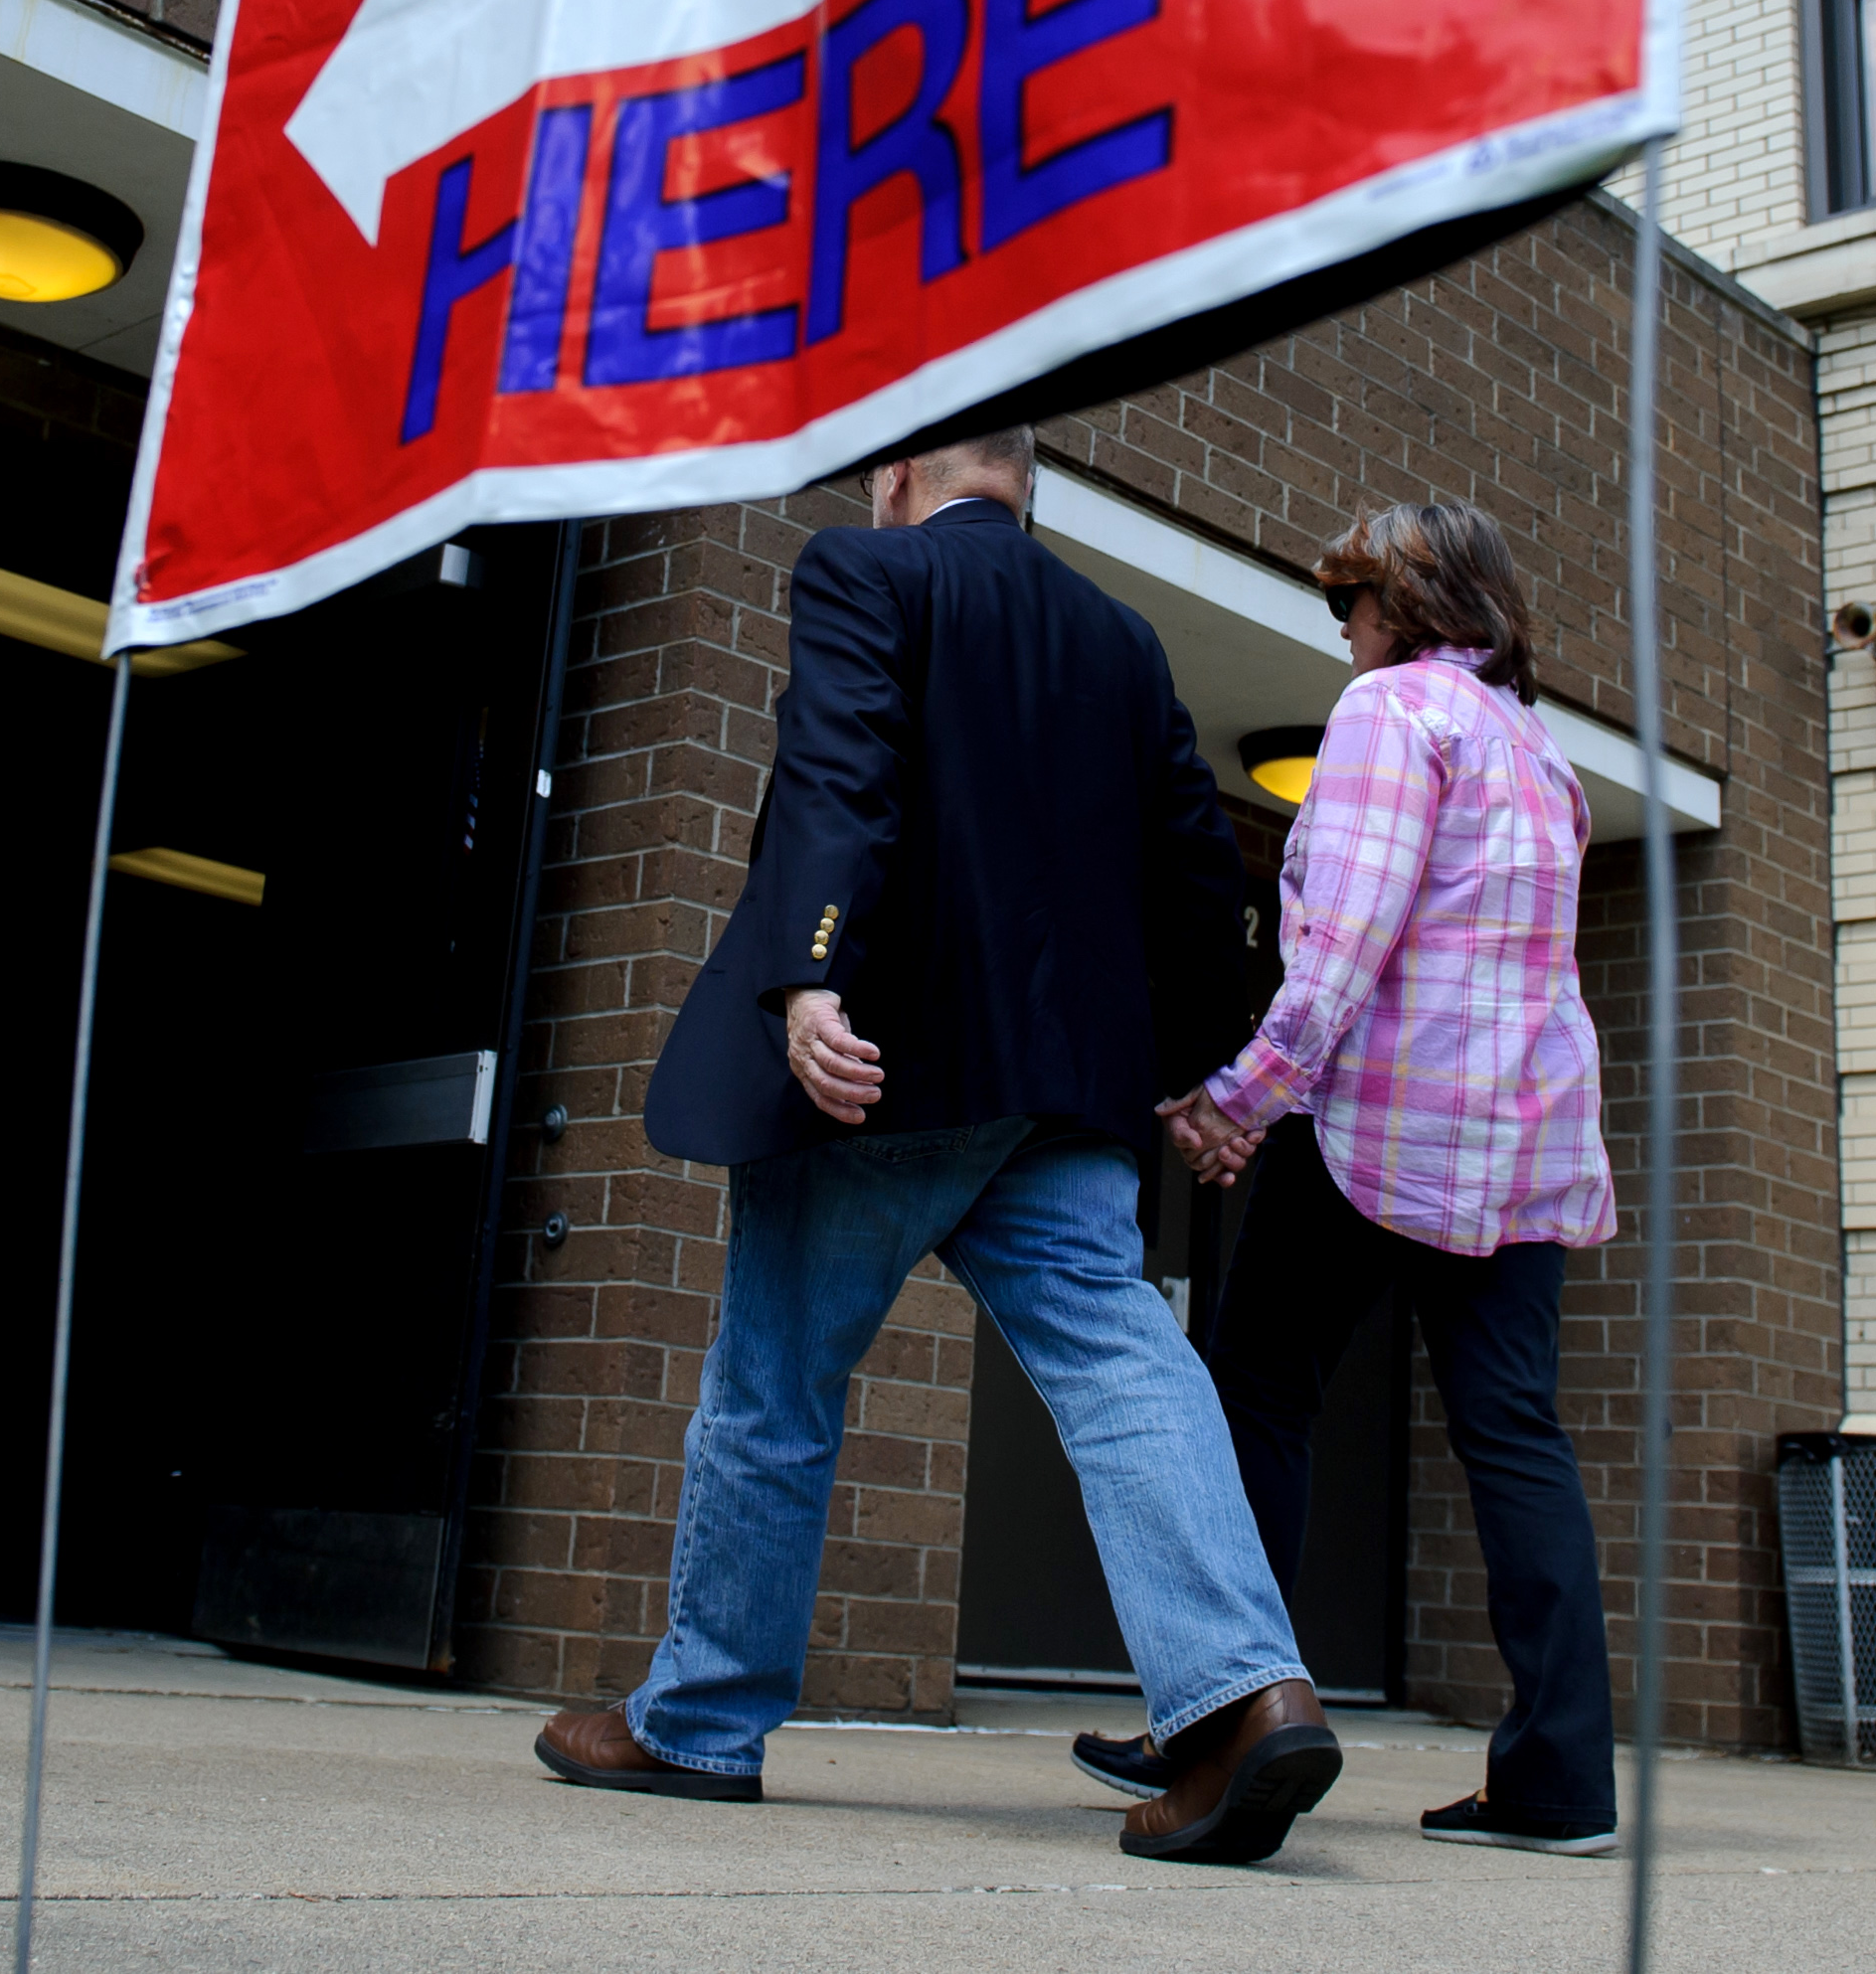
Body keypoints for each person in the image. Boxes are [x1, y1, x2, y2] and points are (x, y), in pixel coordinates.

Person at [530, 426, 1339, 1865]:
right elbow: (1201, 871)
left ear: (904, 472)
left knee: (774, 1387)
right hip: (1065, 1093)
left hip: (885, 1075)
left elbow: (843, 771)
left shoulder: (868, 571)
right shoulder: (1122, 639)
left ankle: (698, 1723)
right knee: (1125, 1368)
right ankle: (1243, 1700)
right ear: (1025, 483)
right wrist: (1193, 1068)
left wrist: (811, 973)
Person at [1105, 499, 1624, 1857]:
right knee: (1515, 1434)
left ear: (1405, 605)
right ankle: (1563, 1779)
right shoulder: (1539, 750)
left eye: (1350, 602)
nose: (1340, 627)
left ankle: (1225, 1717)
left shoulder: (1395, 716)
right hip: (1521, 1141)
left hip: (1387, 1129)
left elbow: (1340, 944)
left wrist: (1237, 1103)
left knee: (1258, 1392)